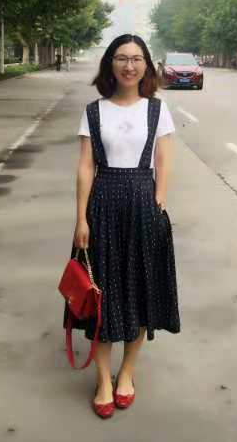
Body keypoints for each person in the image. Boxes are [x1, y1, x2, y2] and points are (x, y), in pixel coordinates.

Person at [72, 34, 180, 419]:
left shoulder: (157, 110)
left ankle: (127, 373)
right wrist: (81, 218)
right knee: (102, 297)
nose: (129, 65)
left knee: (139, 292)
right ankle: (103, 379)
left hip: (142, 205)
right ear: (110, 64)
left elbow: (163, 159)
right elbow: (86, 166)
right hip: (102, 207)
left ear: (146, 66)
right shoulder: (94, 111)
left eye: (137, 59)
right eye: (121, 58)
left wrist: (158, 201)